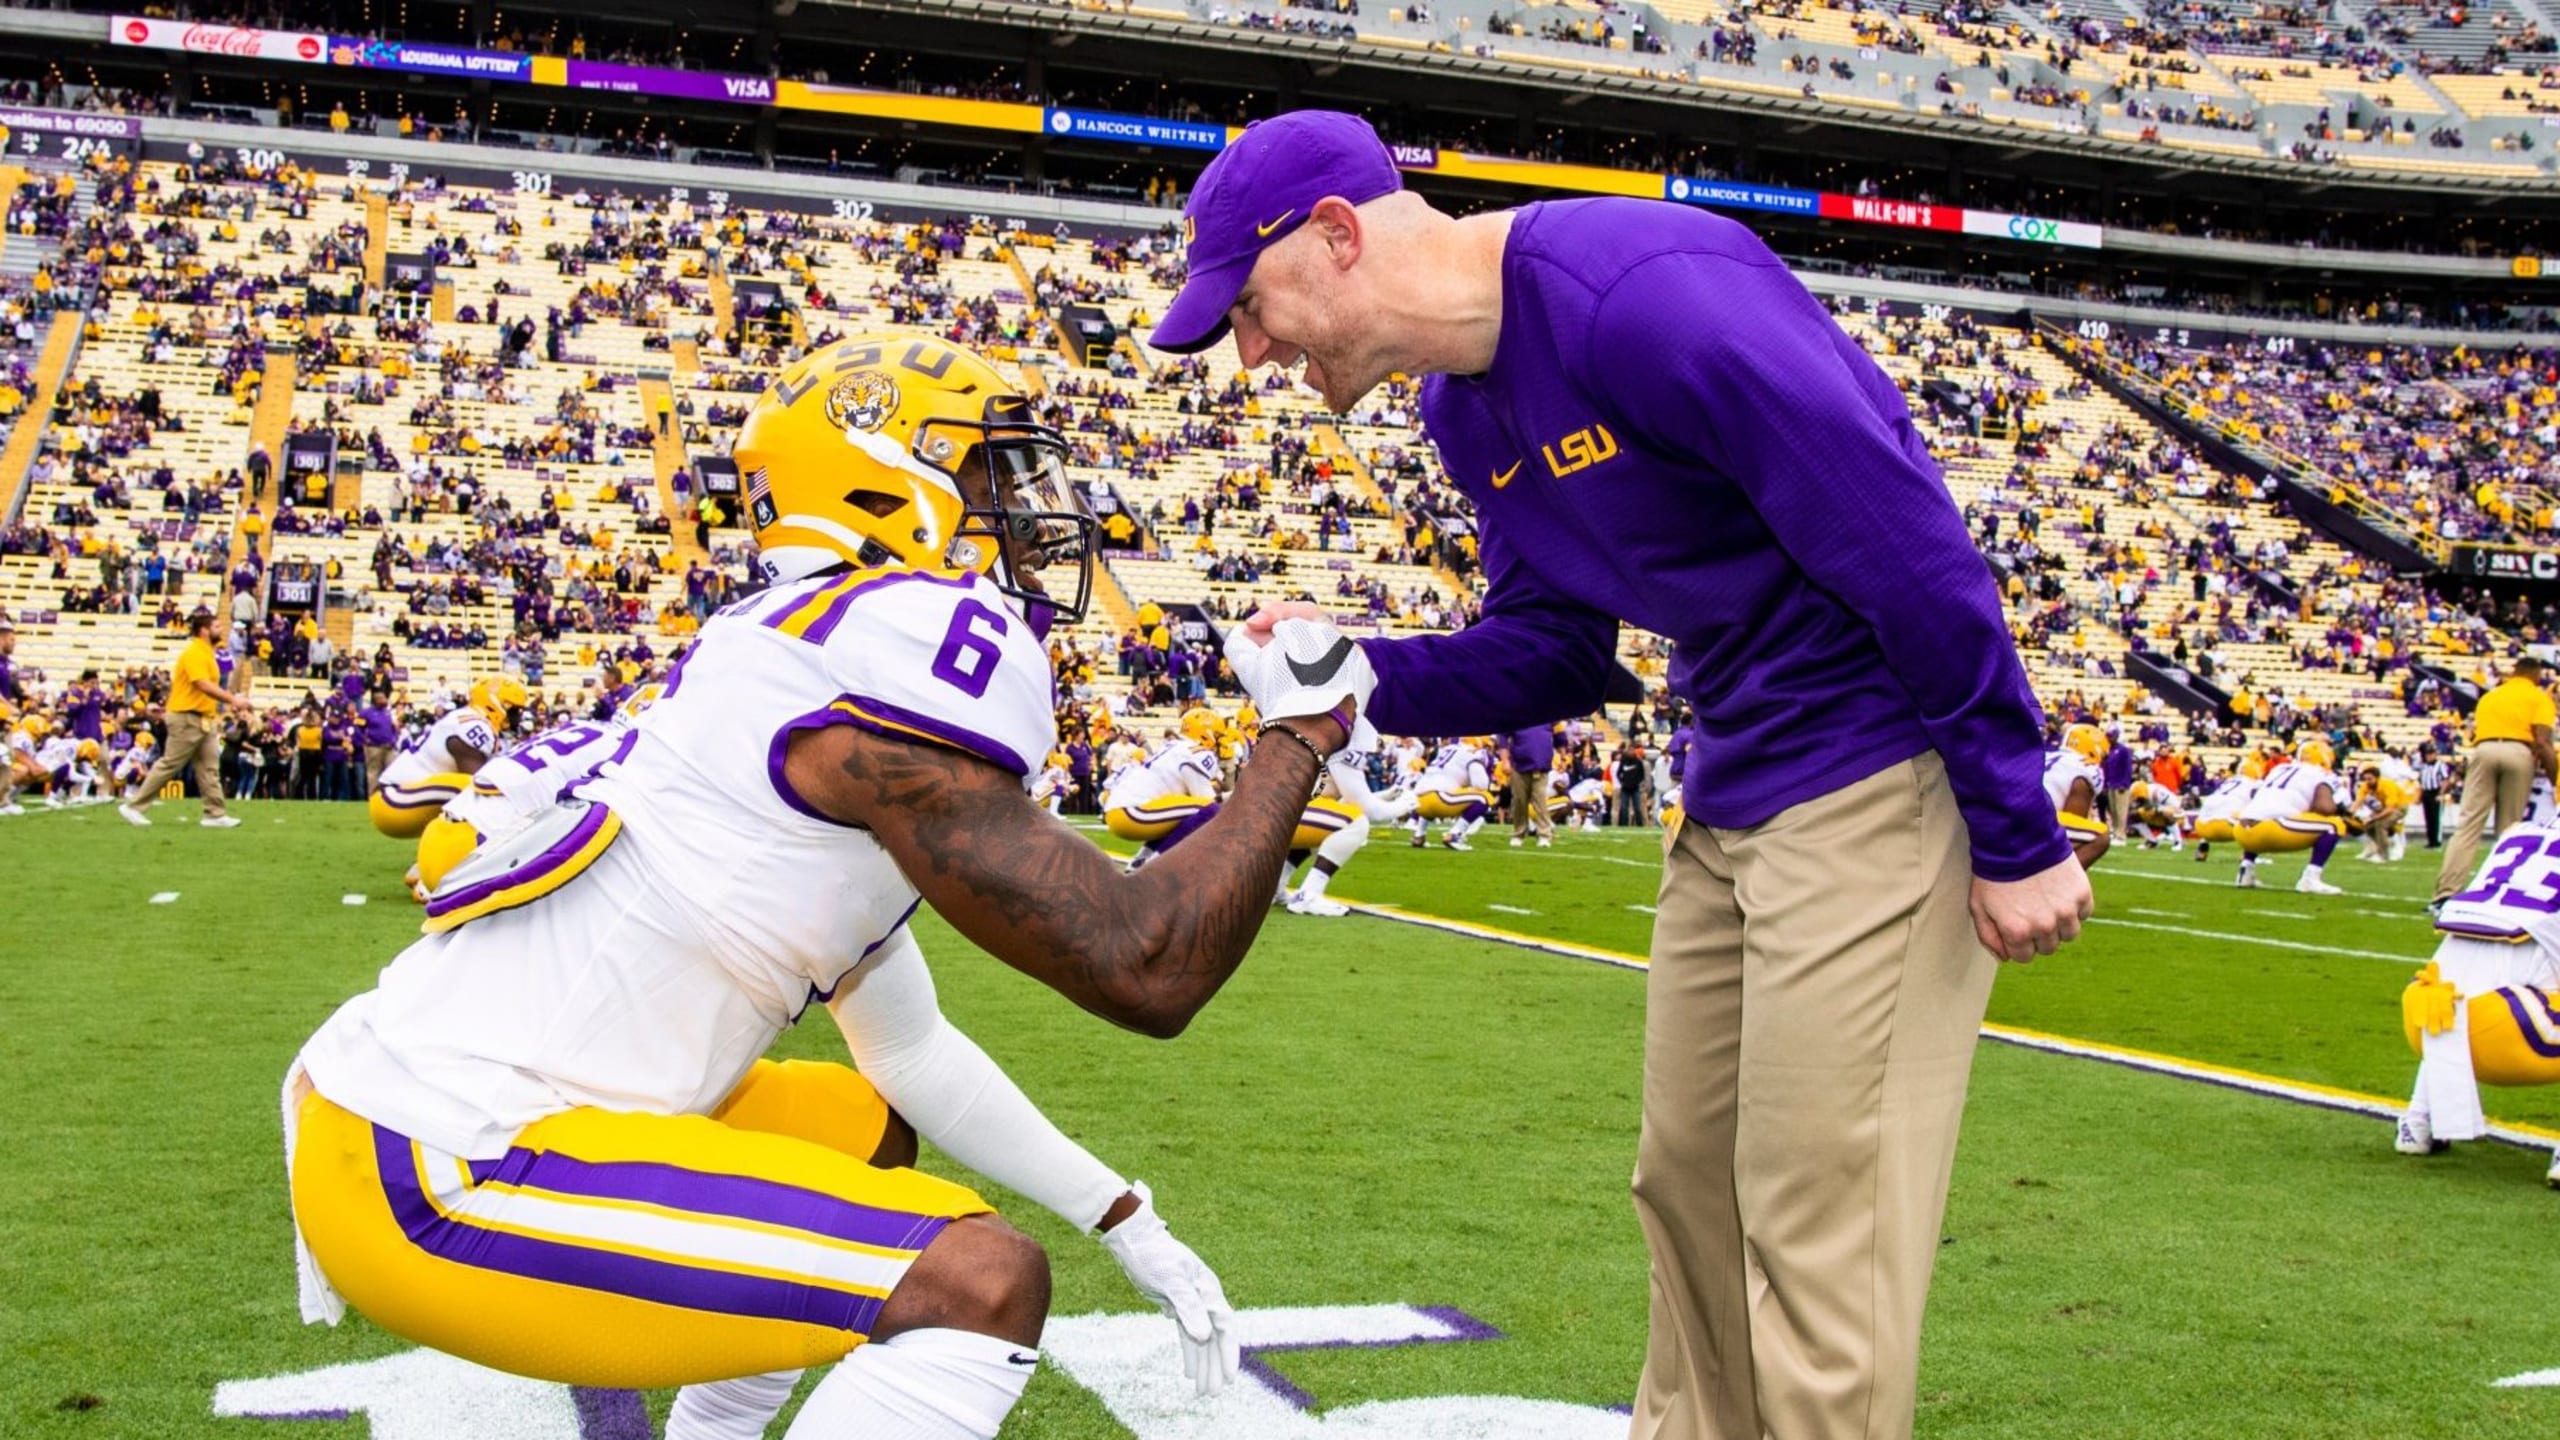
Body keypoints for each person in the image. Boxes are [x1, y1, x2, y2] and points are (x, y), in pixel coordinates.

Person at [1149, 110, 2085, 1440]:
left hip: (1875, 766)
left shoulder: (1644, 295)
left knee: (1818, 1212)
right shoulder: (1461, 408)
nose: (1252, 349)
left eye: (1247, 305)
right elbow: (1553, 651)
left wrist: (2013, 826)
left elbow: (1911, 547)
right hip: (1734, 778)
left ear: (1337, 238)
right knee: (1690, 1186)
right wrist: (1359, 673)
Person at [282, 333, 1380, 1440]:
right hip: (441, 1155)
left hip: (438, 1109)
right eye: (992, 472)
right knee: (981, 1282)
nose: (1034, 507)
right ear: (883, 478)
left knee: (865, 1127)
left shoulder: (790, 655)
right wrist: (1297, 736)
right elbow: (1148, 964)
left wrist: (1126, 1218)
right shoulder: (881, 653)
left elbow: (913, 1054)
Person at [2396, 777, 2560, 1187]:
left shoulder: (2517, 836)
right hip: (2508, 1030)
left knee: (2461, 979)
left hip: (2426, 1018)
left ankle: (2417, 1122)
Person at [2435, 657, 2556, 909]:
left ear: (2514, 672)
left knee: (2468, 825)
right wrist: (2556, 777)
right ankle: (2498, 892)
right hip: (2518, 752)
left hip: (2484, 749)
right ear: (2535, 674)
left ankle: (2445, 893)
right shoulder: (2538, 697)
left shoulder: (2491, 696)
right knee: (2509, 829)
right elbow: (2542, 741)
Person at [120, 609, 254, 828]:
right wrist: (233, 699)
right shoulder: (194, 653)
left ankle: (214, 813)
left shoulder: (207, 653)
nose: (221, 630)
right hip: (186, 716)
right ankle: (134, 806)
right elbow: (202, 684)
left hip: (203, 718)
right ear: (204, 630)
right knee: (170, 764)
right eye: (217, 626)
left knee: (209, 767)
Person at [1506, 723, 1556, 847]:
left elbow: (1560, 736)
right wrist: (1505, 760)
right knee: (1519, 801)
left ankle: (1544, 834)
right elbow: (1502, 737)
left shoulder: (1550, 715)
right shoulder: (1515, 715)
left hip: (1541, 766)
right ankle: (1519, 833)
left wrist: (1564, 754)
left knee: (1541, 801)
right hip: (1519, 766)